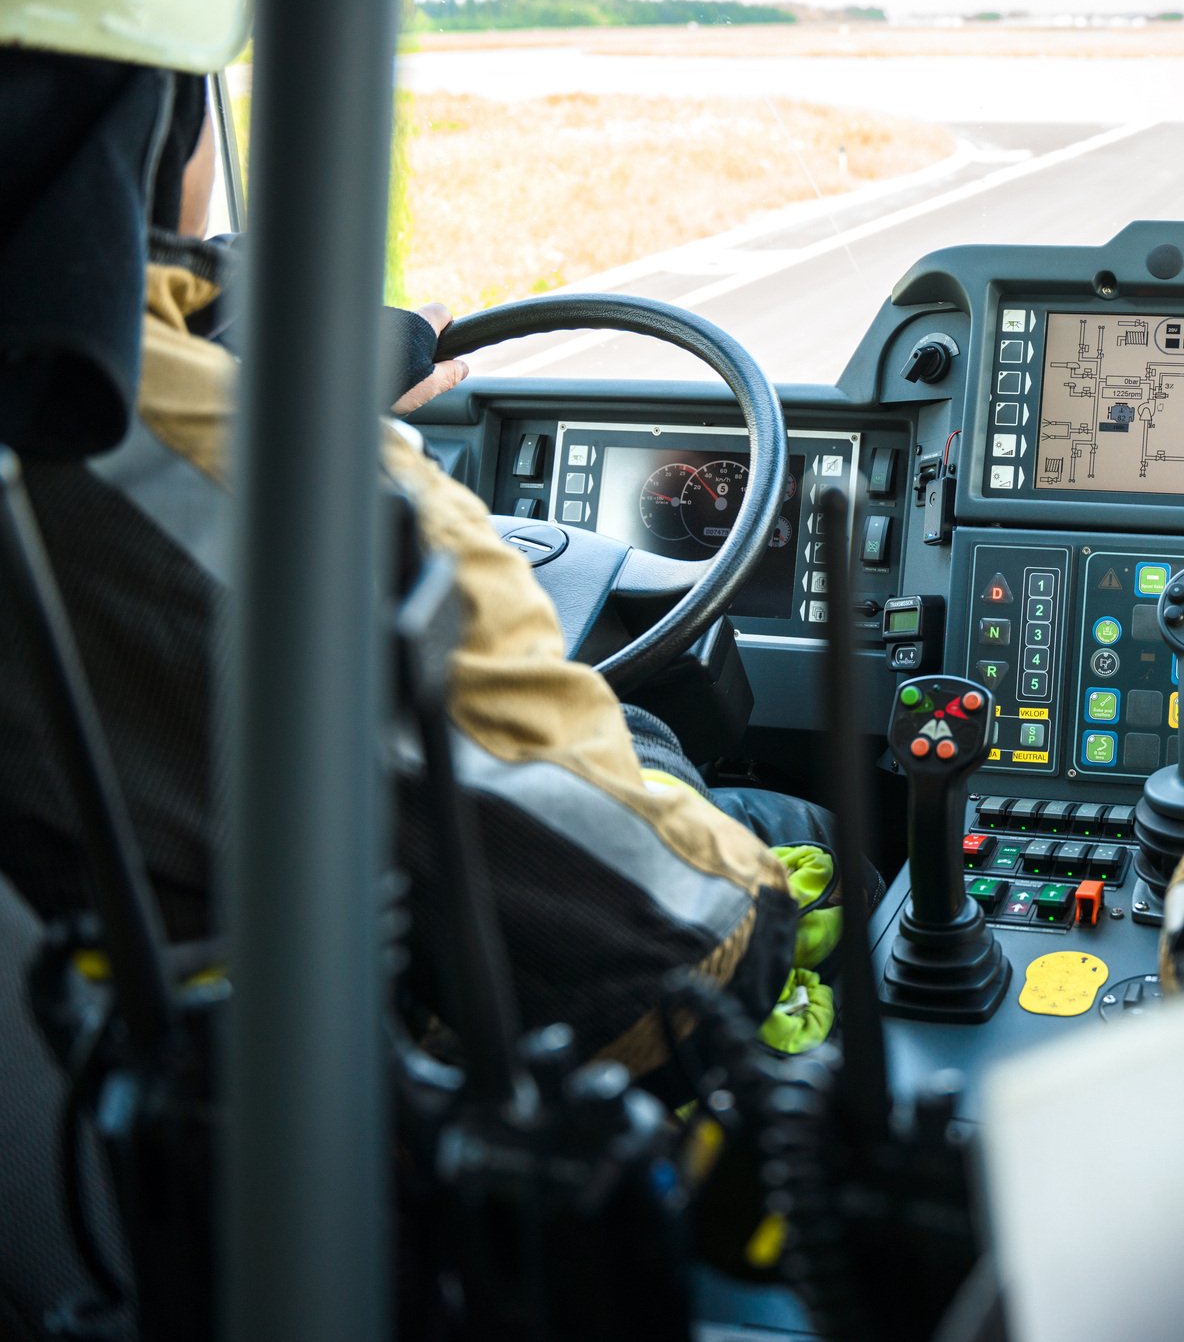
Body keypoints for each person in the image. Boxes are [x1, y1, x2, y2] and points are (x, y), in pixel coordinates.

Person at [0, 54, 841, 1086]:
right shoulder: (202, 456)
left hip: (132, 1035)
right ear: (141, 107)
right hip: (341, 1127)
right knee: (800, 831)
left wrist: (233, 326)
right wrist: (633, 736)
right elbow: (680, 949)